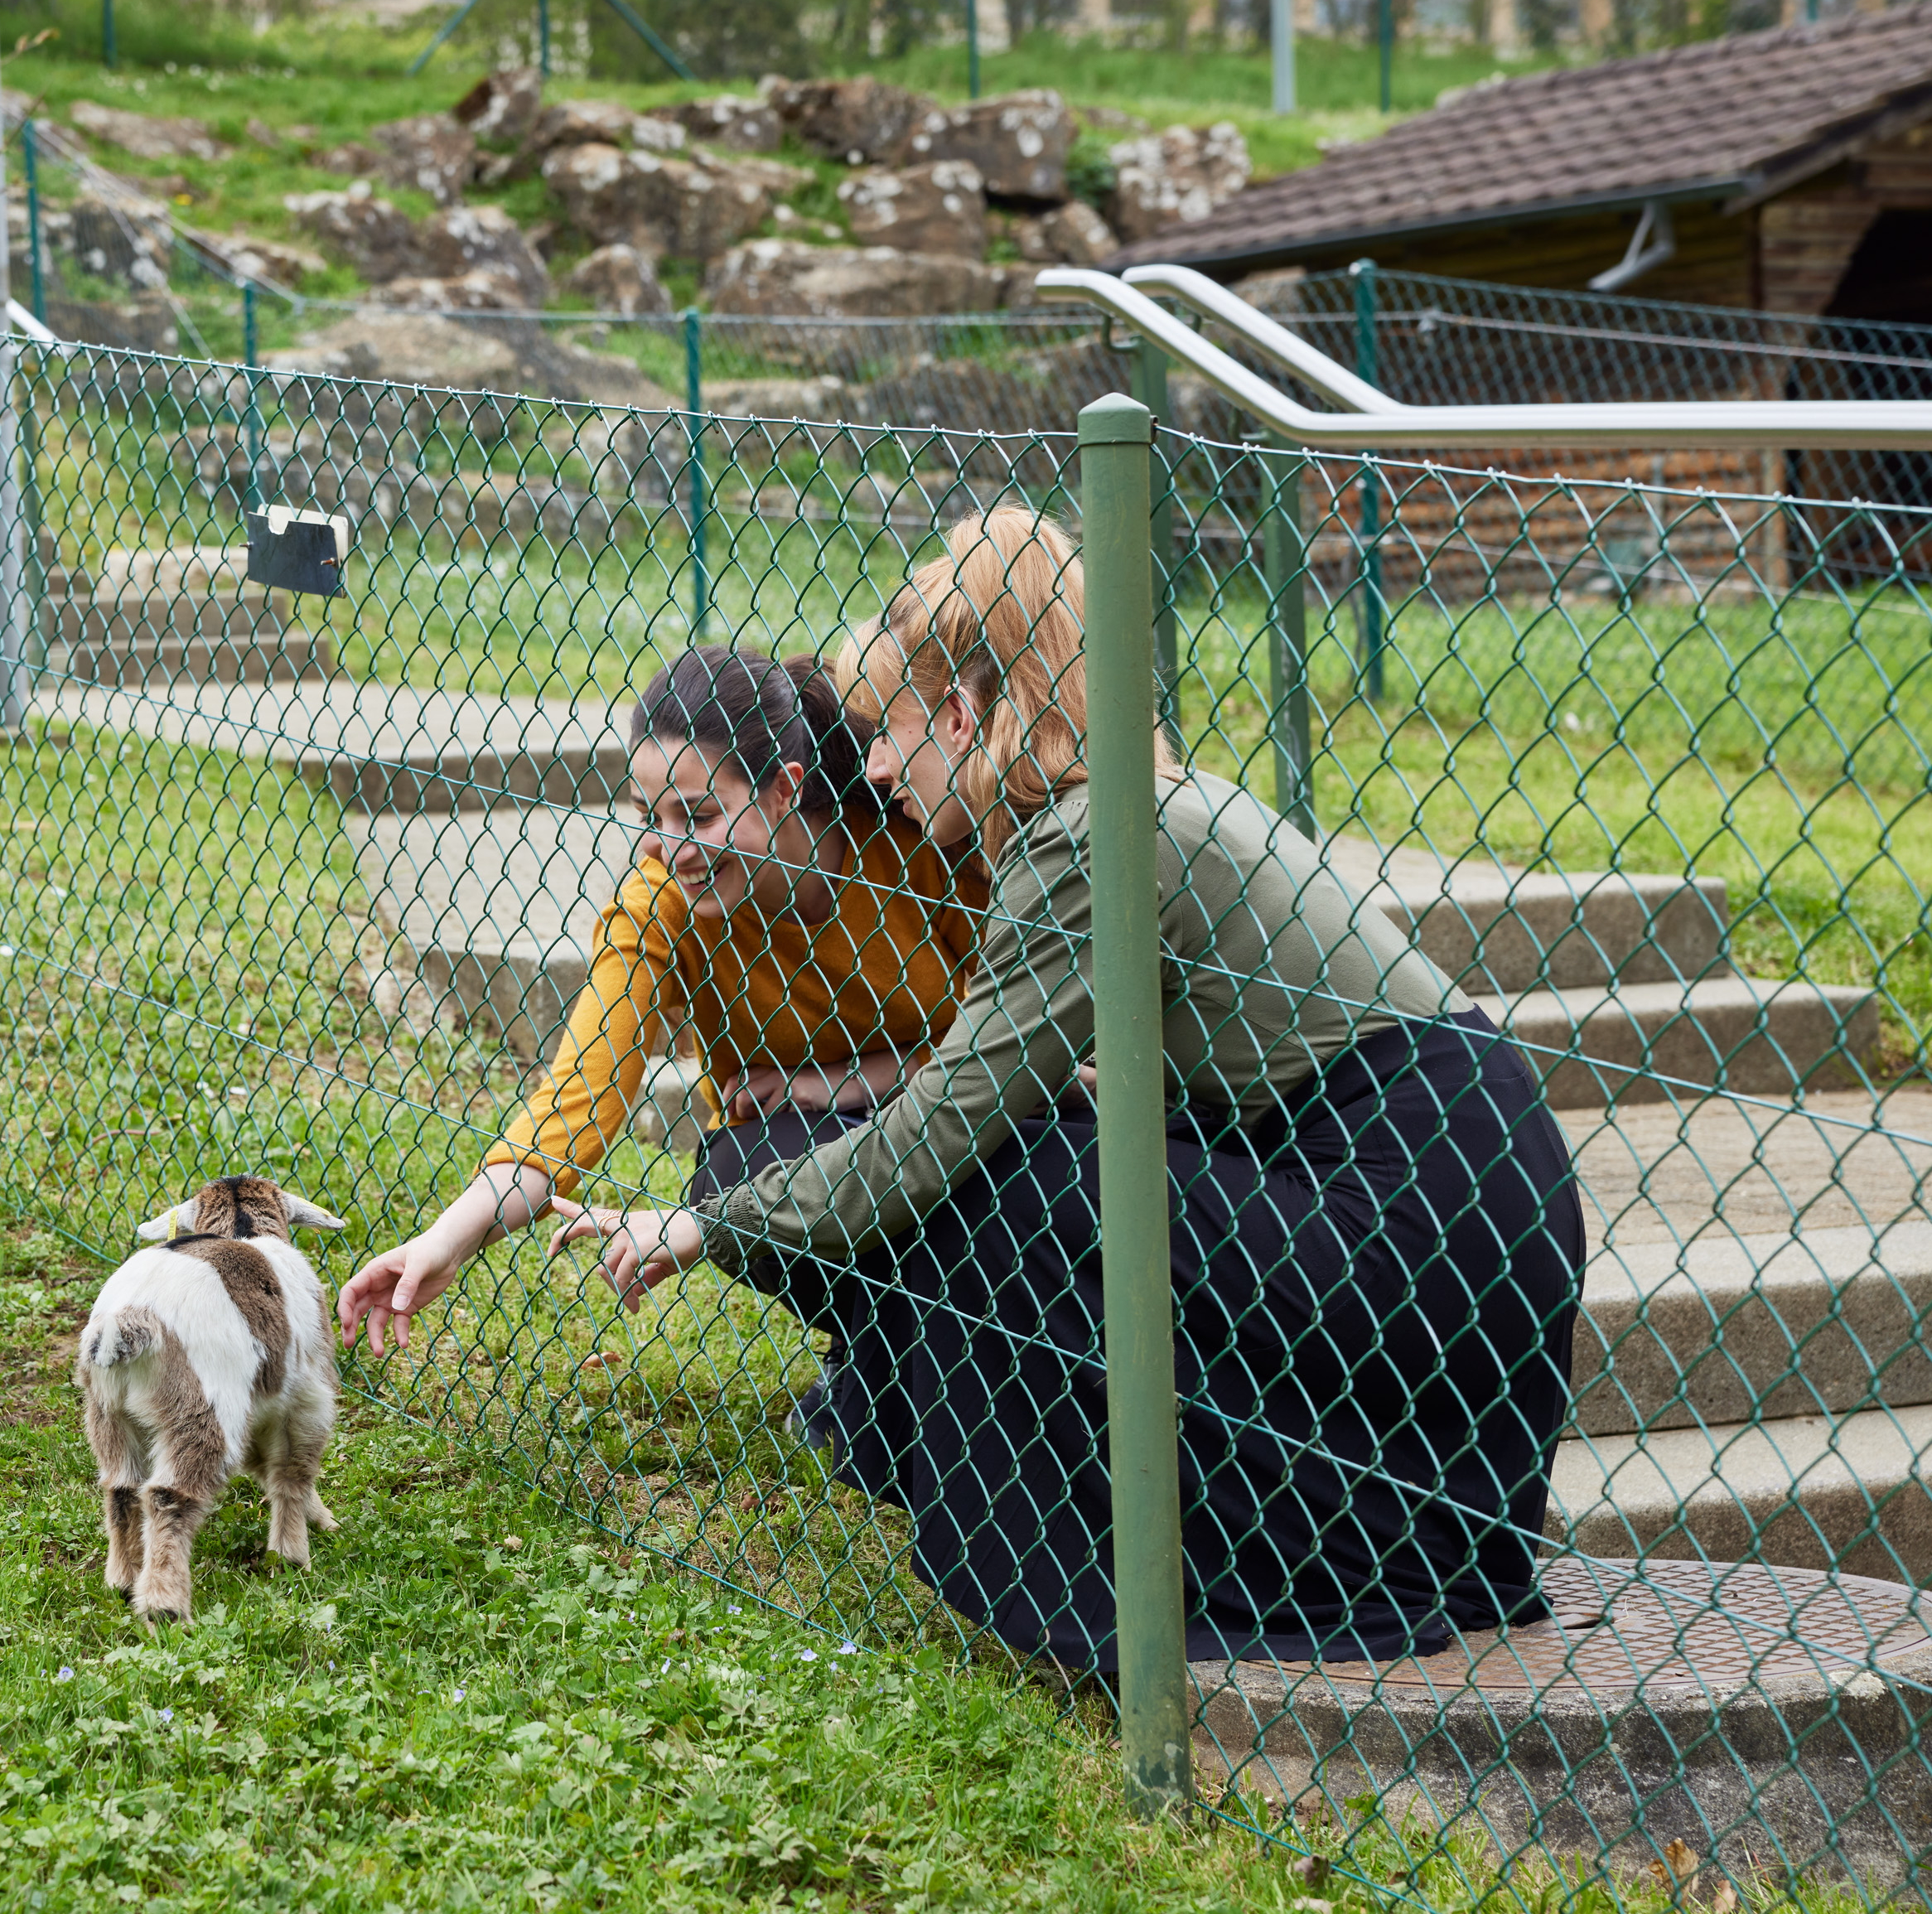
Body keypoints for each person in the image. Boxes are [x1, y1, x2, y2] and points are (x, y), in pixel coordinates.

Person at [481, 509, 1585, 1673]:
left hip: (1422, 1203)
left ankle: (1110, 1583)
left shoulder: (1085, 839)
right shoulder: (1104, 804)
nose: (879, 770)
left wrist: (709, 1219)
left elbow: (952, 1120)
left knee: (1017, 1179)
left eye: (889, 735)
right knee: (1039, 1164)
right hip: (1442, 1173)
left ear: (961, 715)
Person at [336, 645, 985, 1365]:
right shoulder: (658, 903)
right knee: (736, 1180)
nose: (671, 847)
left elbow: (1017, 1030)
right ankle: (883, 1366)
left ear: (782, 790)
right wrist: (443, 1241)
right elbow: (575, 1101)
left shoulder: (918, 842)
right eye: (650, 814)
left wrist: (855, 1077)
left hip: (957, 1104)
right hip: (793, 1146)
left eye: (700, 815)